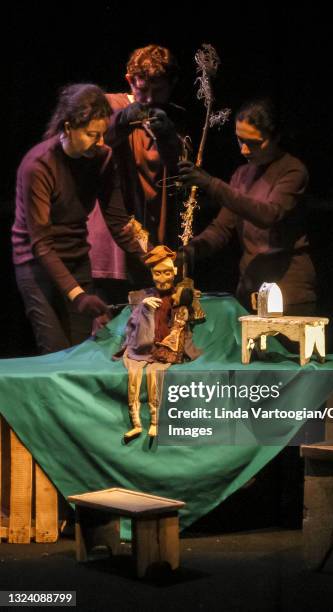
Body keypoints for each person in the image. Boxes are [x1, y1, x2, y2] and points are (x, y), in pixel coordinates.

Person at [12, 83, 146, 354]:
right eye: (91, 135)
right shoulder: (38, 166)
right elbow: (41, 244)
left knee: (80, 350)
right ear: (68, 126)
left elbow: (119, 222)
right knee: (55, 351)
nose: (99, 143)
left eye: (102, 135)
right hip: (37, 264)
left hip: (76, 258)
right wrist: (78, 295)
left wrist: (151, 256)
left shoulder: (102, 157)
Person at [178, 97, 316, 315]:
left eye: (254, 143)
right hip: (250, 290)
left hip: (288, 293)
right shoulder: (242, 175)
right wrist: (191, 250)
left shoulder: (293, 171)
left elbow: (268, 215)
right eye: (240, 140)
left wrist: (211, 184)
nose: (244, 150)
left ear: (276, 137)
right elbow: (221, 229)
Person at [87, 44, 186, 302]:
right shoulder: (109, 105)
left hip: (148, 244)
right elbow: (98, 139)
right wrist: (125, 118)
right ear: (130, 80)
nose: (150, 99)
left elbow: (177, 171)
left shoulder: (168, 118)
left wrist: (166, 135)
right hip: (110, 246)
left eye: (159, 90)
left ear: (172, 85)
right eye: (143, 90)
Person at [113, 246, 202, 440]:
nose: (162, 279)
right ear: (152, 274)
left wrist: (187, 298)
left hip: (165, 348)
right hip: (143, 347)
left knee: (155, 375)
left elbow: (187, 318)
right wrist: (143, 308)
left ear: (175, 272)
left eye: (167, 273)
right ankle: (136, 424)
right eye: (158, 273)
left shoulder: (178, 296)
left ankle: (154, 422)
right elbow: (133, 325)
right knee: (134, 375)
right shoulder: (143, 297)